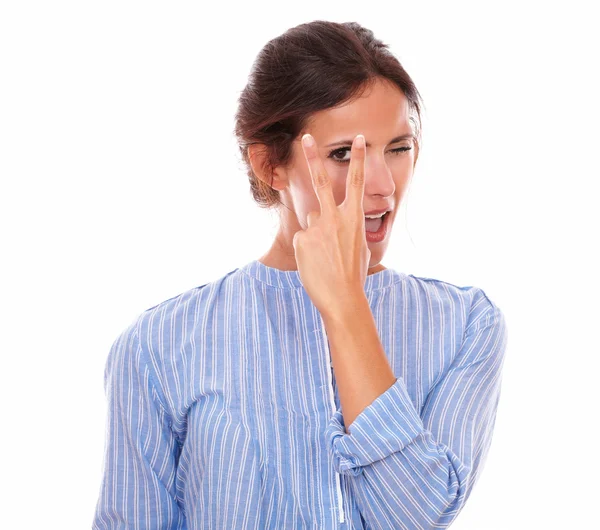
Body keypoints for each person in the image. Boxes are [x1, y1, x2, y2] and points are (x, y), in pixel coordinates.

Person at [92, 20, 508, 530]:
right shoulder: (159, 345)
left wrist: (347, 306)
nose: (382, 186)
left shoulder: (466, 325)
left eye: (398, 148)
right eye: (343, 155)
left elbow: (415, 518)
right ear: (270, 164)